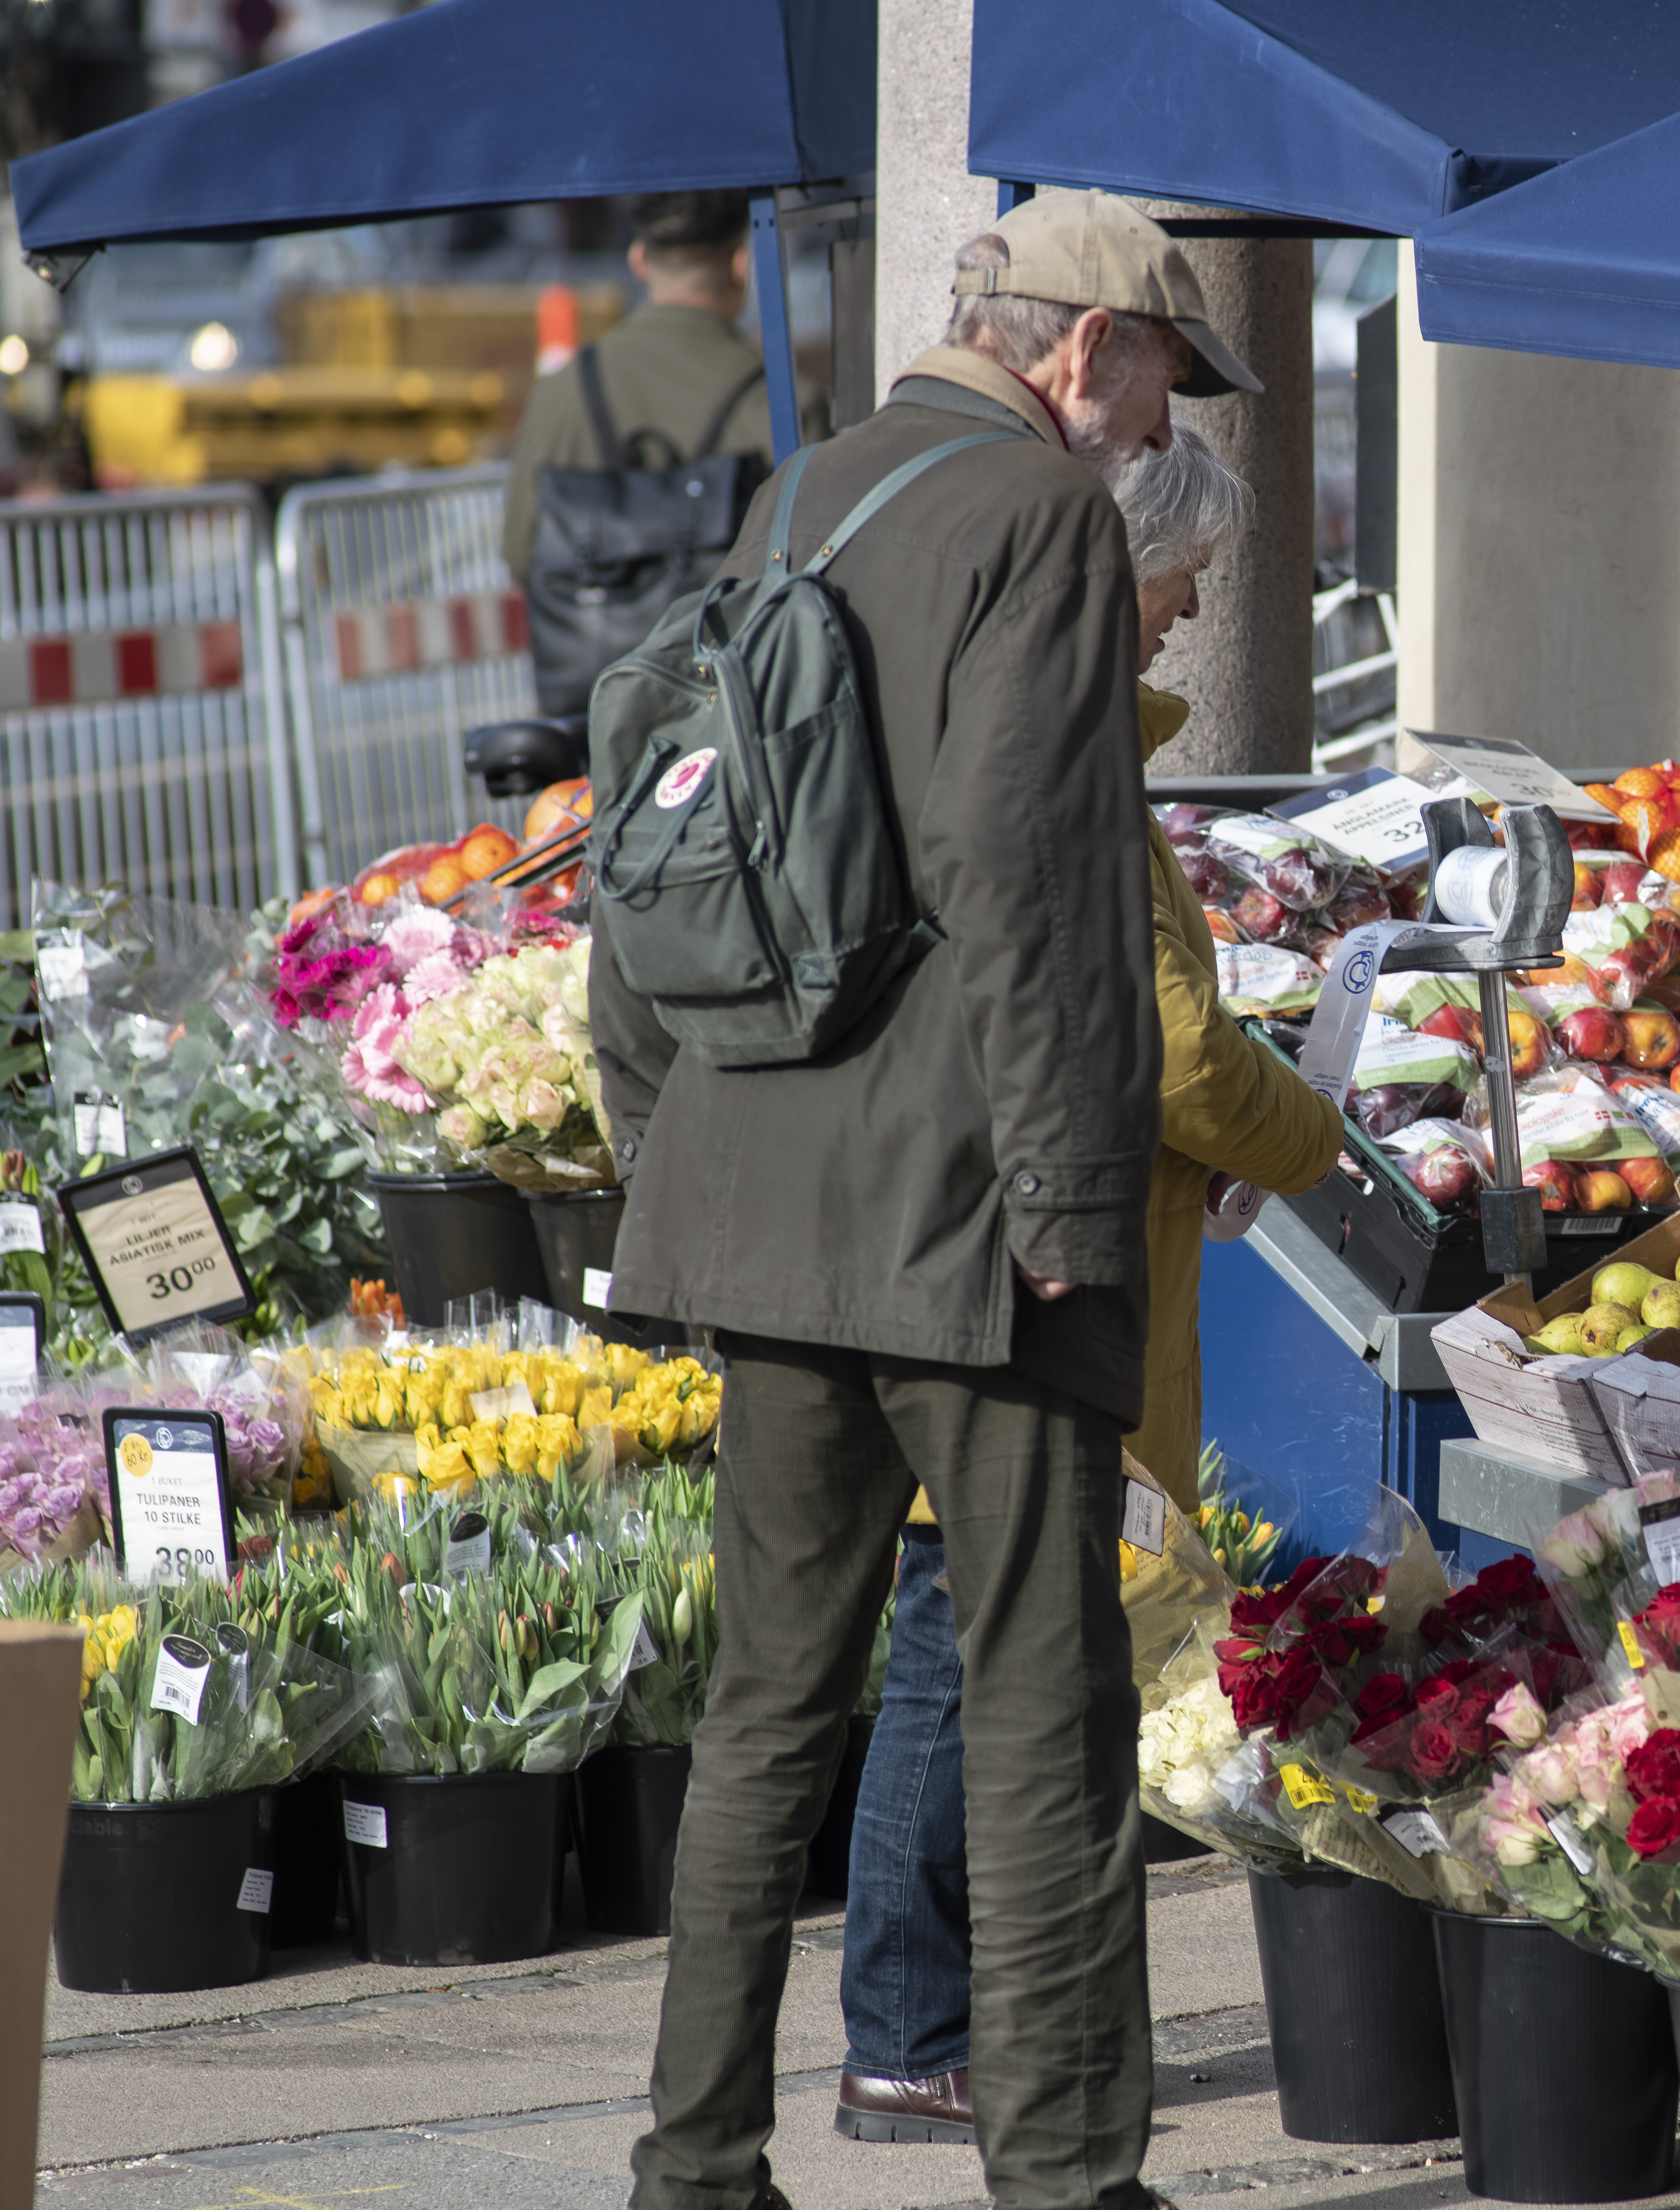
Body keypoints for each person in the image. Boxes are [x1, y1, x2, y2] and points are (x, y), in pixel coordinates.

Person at [595, 188, 1260, 2210]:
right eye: (1157, 388)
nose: (1152, 434)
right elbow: (1022, 874)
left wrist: (660, 1141)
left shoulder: (802, 488)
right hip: (970, 1215)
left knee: (765, 1713)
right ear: (1081, 348)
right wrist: (1068, 1197)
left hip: (762, 1183)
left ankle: (695, 2165)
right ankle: (1065, 2173)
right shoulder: (1042, 511)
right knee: (1044, 1708)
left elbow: (659, 832)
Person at [834, 428, 1347, 2147]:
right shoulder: (1059, 751)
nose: (1193, 609)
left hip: (991, 1258)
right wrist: (1308, 1134)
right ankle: (914, 2033)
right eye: (1181, 575)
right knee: (965, 1656)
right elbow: (1177, 1051)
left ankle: (952, 2023)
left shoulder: (1007, 720)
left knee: (973, 1650)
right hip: (1029, 1288)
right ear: (1112, 573)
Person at [496, 191, 812, 583]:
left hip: (598, 624)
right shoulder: (787, 402)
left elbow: (521, 554)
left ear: (639, 261)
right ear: (740, 267)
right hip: (732, 622)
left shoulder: (562, 391)